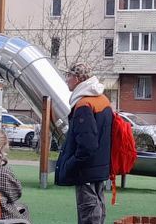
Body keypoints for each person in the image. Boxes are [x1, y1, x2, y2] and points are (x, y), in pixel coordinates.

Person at [54, 62, 113, 224]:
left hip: (86, 169)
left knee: (89, 212)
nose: (66, 79)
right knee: (98, 208)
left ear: (78, 78)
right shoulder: (102, 99)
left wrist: (71, 163)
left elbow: (87, 145)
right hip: (99, 166)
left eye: (68, 75)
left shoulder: (83, 105)